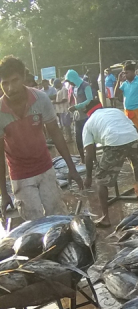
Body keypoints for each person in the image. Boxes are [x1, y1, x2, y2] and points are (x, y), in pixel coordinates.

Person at [0, 56, 83, 219]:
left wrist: (72, 168)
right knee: (34, 222)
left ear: (24, 77)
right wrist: (4, 192)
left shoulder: (40, 99)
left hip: (45, 167)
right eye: (4, 83)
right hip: (20, 173)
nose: (10, 88)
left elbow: (56, 134)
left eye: (14, 81)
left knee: (57, 215)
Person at [81, 98, 138, 227]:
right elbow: (135, 129)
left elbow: (89, 153)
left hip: (113, 142)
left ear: (88, 113)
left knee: (100, 180)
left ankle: (106, 218)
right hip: (133, 137)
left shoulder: (88, 123)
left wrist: (88, 176)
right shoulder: (115, 111)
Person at [64, 69, 94, 162]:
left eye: (69, 81)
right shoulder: (74, 87)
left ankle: (94, 159)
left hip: (86, 115)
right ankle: (82, 159)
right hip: (77, 116)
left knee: (90, 138)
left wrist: (77, 107)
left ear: (73, 78)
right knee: (78, 138)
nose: (69, 83)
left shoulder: (85, 86)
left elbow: (89, 100)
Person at [114, 62, 138, 138]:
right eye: (124, 73)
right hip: (127, 111)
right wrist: (118, 80)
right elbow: (116, 94)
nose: (125, 75)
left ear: (133, 72)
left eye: (127, 73)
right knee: (130, 131)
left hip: (136, 110)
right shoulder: (124, 83)